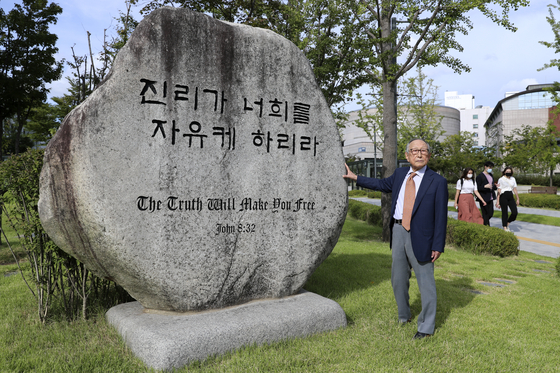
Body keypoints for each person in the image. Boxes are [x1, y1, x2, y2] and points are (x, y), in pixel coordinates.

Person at [343, 139, 448, 340]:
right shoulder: (400, 174)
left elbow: (441, 216)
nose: (419, 154)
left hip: (423, 236)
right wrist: (355, 177)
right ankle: (404, 316)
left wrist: (437, 245)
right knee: (398, 279)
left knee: (426, 283)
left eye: (423, 151)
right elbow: (381, 184)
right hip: (398, 231)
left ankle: (426, 327)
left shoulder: (438, 181)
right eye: (414, 151)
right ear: (407, 155)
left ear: (429, 155)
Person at [496, 166, 519, 232]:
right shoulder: (501, 179)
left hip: (510, 195)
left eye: (509, 171)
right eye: (507, 171)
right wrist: (498, 201)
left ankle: (507, 222)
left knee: (514, 212)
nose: (508, 172)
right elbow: (499, 191)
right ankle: (505, 227)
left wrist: (517, 198)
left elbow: (515, 189)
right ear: (504, 172)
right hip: (503, 196)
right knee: (504, 212)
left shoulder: (513, 179)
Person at [476, 161, 497, 226]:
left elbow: (492, 186)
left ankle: (483, 223)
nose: (490, 169)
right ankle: (487, 227)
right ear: (485, 167)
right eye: (489, 167)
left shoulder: (491, 175)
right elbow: (477, 188)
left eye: (491, 167)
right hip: (483, 197)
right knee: (485, 213)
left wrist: (495, 186)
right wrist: (484, 186)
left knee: (490, 213)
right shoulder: (480, 176)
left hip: (490, 197)